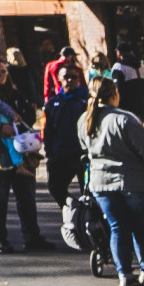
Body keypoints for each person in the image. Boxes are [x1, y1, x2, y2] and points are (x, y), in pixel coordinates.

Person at [80, 77, 144, 286]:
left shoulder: (84, 120)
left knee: (117, 227)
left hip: (101, 182)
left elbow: (85, 147)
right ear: (114, 94)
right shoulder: (125, 119)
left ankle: (124, 273)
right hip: (133, 181)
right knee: (141, 228)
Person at [0, 57, 51, 255]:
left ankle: (32, 236)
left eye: (3, 71)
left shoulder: (15, 94)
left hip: (19, 150)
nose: (0, 75)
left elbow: (29, 115)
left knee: (26, 195)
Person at [40, 60, 89, 210]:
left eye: (74, 77)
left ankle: (92, 222)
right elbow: (48, 130)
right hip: (60, 153)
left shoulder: (86, 100)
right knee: (55, 187)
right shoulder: (52, 103)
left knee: (88, 192)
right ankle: (72, 208)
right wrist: (49, 151)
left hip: (82, 154)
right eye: (66, 77)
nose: (70, 80)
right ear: (59, 79)